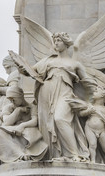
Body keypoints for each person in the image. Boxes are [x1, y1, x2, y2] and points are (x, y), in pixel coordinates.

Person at [25, 32, 90, 161]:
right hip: (46, 92)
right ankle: (54, 154)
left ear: (66, 43)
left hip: (65, 92)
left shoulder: (75, 64)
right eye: (55, 41)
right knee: (48, 123)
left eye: (58, 41)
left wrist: (95, 100)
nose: (56, 43)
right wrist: (21, 66)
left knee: (60, 119)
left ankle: (74, 154)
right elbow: (30, 70)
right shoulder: (48, 60)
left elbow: (88, 83)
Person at [0, 85, 48, 164]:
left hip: (27, 132)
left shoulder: (32, 107)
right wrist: (18, 111)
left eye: (14, 99)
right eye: (10, 100)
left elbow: (35, 121)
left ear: (21, 96)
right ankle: (19, 155)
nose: (12, 102)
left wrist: (22, 126)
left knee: (31, 132)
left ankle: (25, 153)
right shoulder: (8, 107)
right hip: (11, 132)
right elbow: (6, 123)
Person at [74, 85, 105, 167]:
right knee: (92, 145)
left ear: (102, 96)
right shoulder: (90, 106)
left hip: (102, 131)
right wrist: (88, 111)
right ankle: (93, 161)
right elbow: (80, 114)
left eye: (96, 91)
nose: (93, 93)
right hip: (90, 128)